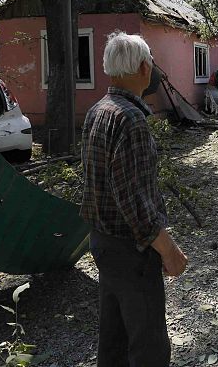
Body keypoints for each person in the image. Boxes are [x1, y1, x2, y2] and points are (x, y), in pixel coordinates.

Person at [81, 30, 188, 367]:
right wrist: (169, 251)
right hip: (131, 252)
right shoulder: (131, 120)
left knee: (113, 339)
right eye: (152, 62)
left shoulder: (98, 110)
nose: (154, 69)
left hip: (101, 243)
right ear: (144, 68)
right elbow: (134, 202)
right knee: (148, 345)